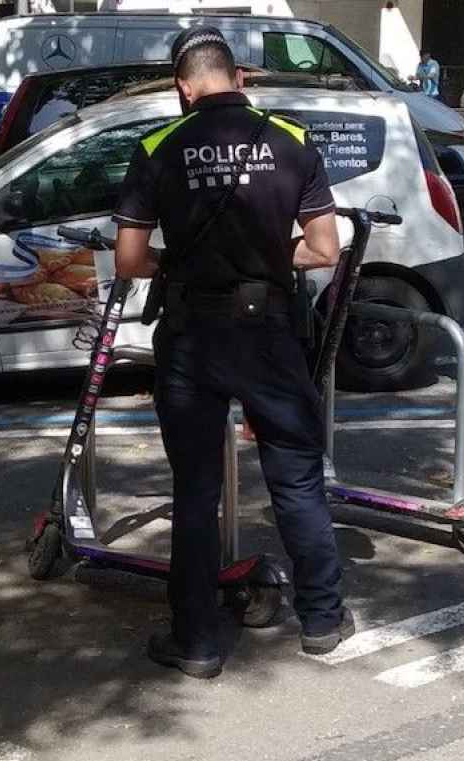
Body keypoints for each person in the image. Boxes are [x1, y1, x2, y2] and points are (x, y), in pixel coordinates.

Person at [112, 26, 352, 680]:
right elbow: (324, 248)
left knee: (195, 493)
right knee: (296, 479)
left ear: (181, 88)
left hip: (191, 335)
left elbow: (130, 261)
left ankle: (197, 643)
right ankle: (323, 620)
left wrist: (180, 263)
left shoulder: (158, 146)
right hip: (269, 332)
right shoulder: (293, 139)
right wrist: (270, 257)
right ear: (240, 78)